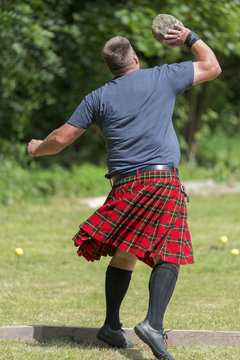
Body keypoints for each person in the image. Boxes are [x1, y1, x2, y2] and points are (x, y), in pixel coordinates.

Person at [28, 23, 221, 360]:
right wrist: (188, 36)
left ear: (110, 67)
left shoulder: (97, 96)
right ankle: (153, 325)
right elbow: (211, 65)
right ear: (134, 57)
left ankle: (111, 327)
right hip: (161, 183)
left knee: (125, 251)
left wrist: (35, 149)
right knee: (169, 252)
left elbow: (60, 139)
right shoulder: (161, 76)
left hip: (125, 187)